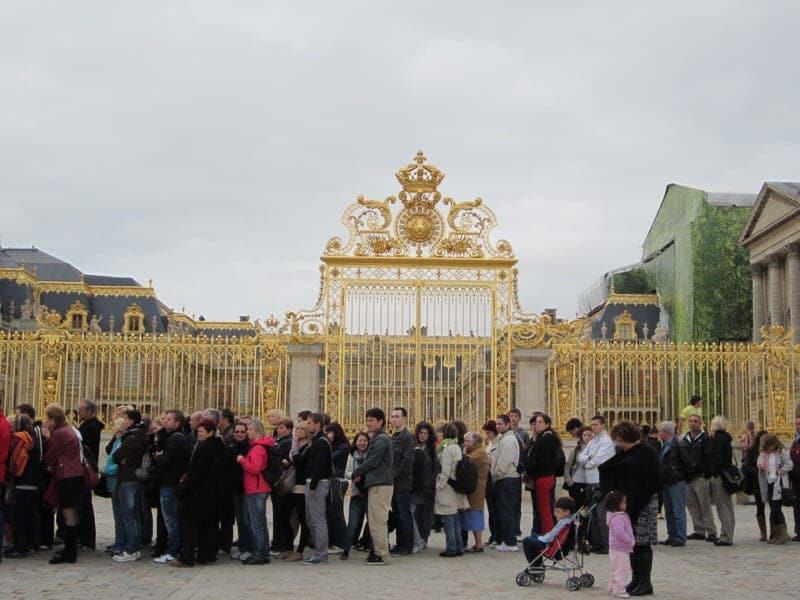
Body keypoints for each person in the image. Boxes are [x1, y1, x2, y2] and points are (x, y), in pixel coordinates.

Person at [599, 421, 661, 597]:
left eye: (620, 439)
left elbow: (648, 479)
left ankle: (645, 582)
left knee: (642, 543)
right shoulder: (627, 452)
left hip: (645, 502)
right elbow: (611, 467)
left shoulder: (646, 451)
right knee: (631, 543)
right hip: (629, 503)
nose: (618, 443)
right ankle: (635, 579)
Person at [172, 418, 226, 567]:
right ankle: (206, 554)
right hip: (211, 493)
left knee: (191, 525)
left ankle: (187, 557)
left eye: (202, 432)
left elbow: (197, 472)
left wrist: (186, 480)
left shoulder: (205, 448)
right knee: (208, 526)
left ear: (210, 432)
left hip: (198, 492)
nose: (199, 434)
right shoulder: (218, 446)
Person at [351, 407, 394, 566]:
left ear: (380, 422)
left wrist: (356, 471)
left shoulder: (381, 439)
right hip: (378, 482)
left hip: (380, 483)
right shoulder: (378, 438)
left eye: (372, 420)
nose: (368, 423)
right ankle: (377, 550)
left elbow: (373, 461)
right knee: (376, 520)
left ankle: (381, 554)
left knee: (378, 520)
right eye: (367, 420)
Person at [42, 404, 84, 564]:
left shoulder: (60, 433)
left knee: (68, 513)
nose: (45, 421)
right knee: (70, 512)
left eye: (47, 418)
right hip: (74, 475)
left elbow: (50, 458)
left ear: (53, 419)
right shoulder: (68, 430)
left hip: (67, 476)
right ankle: (69, 549)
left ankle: (70, 552)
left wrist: (48, 439)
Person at [236, 418, 275, 565]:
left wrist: (242, 460)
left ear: (257, 431)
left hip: (256, 487)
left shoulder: (258, 448)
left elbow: (255, 468)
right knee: (260, 522)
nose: (247, 433)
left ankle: (259, 552)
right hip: (257, 487)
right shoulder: (258, 446)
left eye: (250, 430)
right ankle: (263, 551)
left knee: (256, 523)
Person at [112, 409, 149, 562]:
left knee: (129, 516)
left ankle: (131, 549)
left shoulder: (132, 438)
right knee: (133, 516)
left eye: (125, 419)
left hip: (128, 478)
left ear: (132, 421)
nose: (123, 421)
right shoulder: (140, 436)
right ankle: (134, 547)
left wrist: (122, 459)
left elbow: (116, 456)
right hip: (133, 478)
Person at [152, 410, 189, 564]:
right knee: (173, 518)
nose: (165, 421)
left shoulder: (175, 439)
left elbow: (165, 461)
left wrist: (158, 457)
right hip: (172, 482)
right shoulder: (174, 437)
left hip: (170, 483)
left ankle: (173, 550)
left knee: (171, 519)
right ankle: (174, 548)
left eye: (169, 419)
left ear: (177, 423)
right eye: (165, 419)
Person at [5, 414, 42, 558]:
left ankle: (19, 547)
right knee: (31, 516)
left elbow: (13, 460)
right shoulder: (33, 439)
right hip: (34, 483)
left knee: (18, 517)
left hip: (21, 483)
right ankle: (32, 544)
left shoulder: (19, 439)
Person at [300, 412, 333, 565]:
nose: (307, 426)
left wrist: (313, 484)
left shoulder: (321, 441)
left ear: (318, 424)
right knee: (311, 519)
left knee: (317, 520)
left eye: (309, 423)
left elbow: (320, 465)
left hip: (317, 484)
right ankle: (319, 551)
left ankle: (321, 554)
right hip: (314, 482)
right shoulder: (317, 440)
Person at [580, 415, 615, 553]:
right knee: (593, 516)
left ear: (603, 425)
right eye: (592, 424)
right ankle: (597, 543)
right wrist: (588, 460)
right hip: (591, 480)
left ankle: (606, 544)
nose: (593, 427)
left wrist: (587, 464)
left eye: (596, 424)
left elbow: (599, 460)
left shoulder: (606, 441)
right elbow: (582, 457)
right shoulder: (593, 441)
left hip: (600, 480)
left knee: (601, 515)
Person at [435, 422, 468, 557]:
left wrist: (439, 485)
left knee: (448, 518)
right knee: (455, 518)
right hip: (456, 485)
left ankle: (451, 547)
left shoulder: (447, 449)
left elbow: (445, 470)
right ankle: (458, 545)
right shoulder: (457, 447)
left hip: (448, 487)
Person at [525, 413, 561, 536]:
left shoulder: (547, 438)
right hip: (541, 476)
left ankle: (548, 535)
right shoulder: (542, 437)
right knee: (542, 508)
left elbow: (544, 461)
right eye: (536, 422)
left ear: (547, 424)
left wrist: (529, 468)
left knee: (545, 509)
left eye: (540, 422)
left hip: (544, 476)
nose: (537, 424)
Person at [683, 414, 717, 542]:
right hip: (688, 477)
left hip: (700, 477)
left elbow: (708, 457)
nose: (693, 423)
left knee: (705, 505)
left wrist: (705, 473)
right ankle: (699, 530)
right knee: (692, 506)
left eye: (695, 421)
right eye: (690, 421)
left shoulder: (705, 438)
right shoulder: (685, 438)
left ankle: (711, 530)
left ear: (700, 423)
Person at [656, 421, 691, 547]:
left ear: (665, 432)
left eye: (660, 431)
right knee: (669, 510)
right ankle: (672, 535)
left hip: (676, 481)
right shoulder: (665, 444)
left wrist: (680, 476)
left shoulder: (679, 444)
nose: (658, 433)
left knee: (678, 510)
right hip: (666, 481)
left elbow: (688, 463)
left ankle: (680, 537)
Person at [387, 407, 415, 556]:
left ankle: (407, 545)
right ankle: (399, 544)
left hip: (402, 483)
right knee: (397, 514)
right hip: (393, 483)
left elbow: (407, 460)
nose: (394, 419)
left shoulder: (407, 437)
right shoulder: (393, 437)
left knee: (404, 515)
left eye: (397, 416)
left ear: (404, 419)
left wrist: (395, 475)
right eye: (392, 416)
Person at [521, 496, 576, 571]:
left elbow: (549, 538)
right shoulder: (571, 520)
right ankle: (538, 564)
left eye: (557, 511)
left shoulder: (563, 523)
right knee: (534, 536)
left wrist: (540, 538)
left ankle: (536, 566)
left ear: (567, 512)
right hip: (561, 547)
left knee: (527, 541)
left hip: (553, 548)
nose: (555, 514)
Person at [282, 419, 311, 561]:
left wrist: (294, 450)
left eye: (301, 429)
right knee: (284, 516)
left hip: (301, 486)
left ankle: (300, 550)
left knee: (303, 519)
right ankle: (288, 546)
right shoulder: (295, 446)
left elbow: (300, 463)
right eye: (297, 428)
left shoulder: (308, 447)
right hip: (290, 485)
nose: (298, 431)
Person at [77, 398, 104, 551]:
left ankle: (87, 539)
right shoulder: (89, 425)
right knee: (84, 505)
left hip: (85, 468)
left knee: (85, 505)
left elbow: (86, 448)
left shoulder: (91, 426)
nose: (78, 412)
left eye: (81, 410)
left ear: (90, 411)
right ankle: (85, 538)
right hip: (86, 467)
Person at [757, 433, 794, 544]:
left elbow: (789, 465)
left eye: (771, 446)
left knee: (776, 509)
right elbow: (759, 463)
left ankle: (782, 535)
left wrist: (780, 471)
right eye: (767, 446)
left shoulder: (781, 452)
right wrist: (762, 463)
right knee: (773, 509)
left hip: (779, 483)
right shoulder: (764, 454)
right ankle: (778, 534)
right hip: (769, 482)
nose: (769, 448)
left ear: (775, 444)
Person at [491, 414, 520, 552]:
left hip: (506, 478)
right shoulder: (504, 438)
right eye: (496, 424)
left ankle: (510, 541)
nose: (498, 426)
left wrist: (496, 475)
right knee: (504, 511)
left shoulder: (508, 440)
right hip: (505, 478)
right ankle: (506, 539)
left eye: (500, 424)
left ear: (508, 425)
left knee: (507, 511)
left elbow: (504, 461)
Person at [461, 431, 491, 552]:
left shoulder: (479, 453)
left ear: (476, 442)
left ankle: (479, 544)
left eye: (468, 441)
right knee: (471, 516)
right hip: (472, 490)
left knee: (475, 517)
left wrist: (463, 453)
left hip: (476, 490)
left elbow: (465, 462)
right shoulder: (474, 451)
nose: (465, 444)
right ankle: (477, 544)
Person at [709, 416, 736, 546]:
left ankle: (726, 536)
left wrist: (713, 472)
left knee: (722, 506)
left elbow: (717, 458)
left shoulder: (718, 439)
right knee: (728, 506)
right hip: (726, 474)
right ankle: (729, 532)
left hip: (720, 475)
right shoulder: (726, 437)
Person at [324, 421, 349, 554]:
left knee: (336, 513)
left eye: (329, 432)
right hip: (332, 480)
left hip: (338, 481)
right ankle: (334, 541)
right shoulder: (334, 446)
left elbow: (330, 459)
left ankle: (341, 542)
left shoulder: (342, 446)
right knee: (332, 512)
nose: (328, 435)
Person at [269, 418, 293, 557]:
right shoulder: (279, 440)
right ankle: (278, 542)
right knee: (278, 514)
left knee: (280, 514)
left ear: (289, 429)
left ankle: (280, 543)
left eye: (282, 427)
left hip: (281, 481)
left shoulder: (286, 442)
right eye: (278, 427)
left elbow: (276, 457)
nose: (279, 429)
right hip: (278, 480)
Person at [411, 421, 436, 553]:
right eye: (421, 433)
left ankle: (424, 538)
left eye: (425, 433)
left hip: (428, 486)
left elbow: (436, 468)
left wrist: (432, 482)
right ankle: (417, 538)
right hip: (415, 485)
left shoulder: (432, 449)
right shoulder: (413, 447)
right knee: (415, 513)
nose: (423, 436)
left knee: (426, 514)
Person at [227, 421, 250, 560]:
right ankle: (242, 546)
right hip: (234, 488)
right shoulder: (230, 446)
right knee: (240, 519)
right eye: (237, 432)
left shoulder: (249, 447)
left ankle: (248, 547)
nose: (239, 434)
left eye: (242, 432)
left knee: (247, 519)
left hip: (246, 487)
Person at [605, 491, 636, 599]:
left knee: (617, 568)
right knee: (622, 569)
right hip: (620, 547)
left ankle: (613, 585)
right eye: (624, 502)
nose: (626, 504)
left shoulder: (613, 515)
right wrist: (630, 540)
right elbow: (620, 533)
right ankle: (619, 589)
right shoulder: (618, 517)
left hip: (616, 547)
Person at [103, 418, 125, 555]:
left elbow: (119, 463)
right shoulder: (116, 441)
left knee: (120, 515)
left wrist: (106, 470)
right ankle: (119, 541)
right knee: (117, 515)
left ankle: (121, 543)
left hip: (116, 479)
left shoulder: (122, 442)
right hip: (112, 481)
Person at [742, 429, 769, 541]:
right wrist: (759, 471)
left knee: (775, 507)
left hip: (771, 482)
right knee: (760, 507)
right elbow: (747, 467)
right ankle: (763, 532)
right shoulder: (753, 451)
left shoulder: (772, 449)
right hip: (758, 483)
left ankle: (776, 531)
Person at [482, 419, 499, 546]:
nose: (487, 435)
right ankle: (493, 535)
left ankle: (497, 535)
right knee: (491, 511)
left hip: (495, 479)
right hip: (488, 480)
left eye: (489, 432)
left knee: (495, 511)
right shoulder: (490, 444)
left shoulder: (499, 443)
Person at [567, 427, 593, 508]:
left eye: (589, 435)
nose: (587, 437)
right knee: (578, 507)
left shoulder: (597, 449)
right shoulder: (576, 450)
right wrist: (569, 481)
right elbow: (567, 466)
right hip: (578, 482)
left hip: (591, 482)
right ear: (581, 436)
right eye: (585, 435)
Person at [789, 416, 800, 542]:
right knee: (797, 505)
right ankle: (798, 530)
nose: (798, 425)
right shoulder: (795, 441)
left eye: (799, 423)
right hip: (795, 479)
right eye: (796, 423)